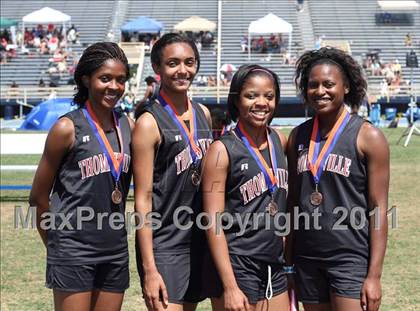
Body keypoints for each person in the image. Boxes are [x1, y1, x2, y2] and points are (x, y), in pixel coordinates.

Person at [29, 42, 133, 311]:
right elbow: (39, 197)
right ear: (86, 79)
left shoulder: (128, 125)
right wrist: (57, 247)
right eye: (105, 78)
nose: (114, 86)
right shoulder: (66, 127)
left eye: (120, 80)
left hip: (114, 250)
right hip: (73, 251)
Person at [287, 47, 389, 311]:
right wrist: (289, 263)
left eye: (329, 84)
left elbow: (378, 209)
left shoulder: (368, 137)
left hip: (349, 258)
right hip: (307, 259)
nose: (320, 91)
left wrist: (374, 276)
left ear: (345, 88)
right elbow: (292, 203)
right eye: (313, 85)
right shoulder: (297, 137)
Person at [132, 33, 213, 311]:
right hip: (165, 245)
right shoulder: (148, 122)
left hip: (199, 240)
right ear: (157, 68)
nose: (183, 70)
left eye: (189, 62)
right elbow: (142, 199)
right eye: (173, 63)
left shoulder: (203, 112)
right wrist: (150, 268)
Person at [202, 64, 290, 311]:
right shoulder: (221, 150)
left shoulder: (279, 140)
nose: (261, 103)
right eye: (251, 95)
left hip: (274, 262)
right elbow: (213, 222)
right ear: (237, 100)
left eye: (269, 96)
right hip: (237, 263)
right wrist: (230, 286)